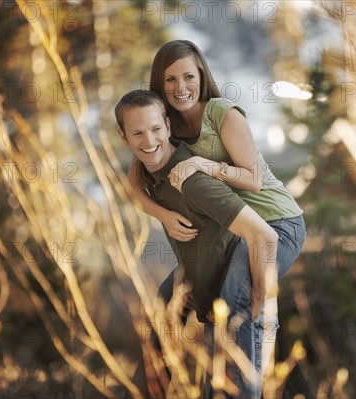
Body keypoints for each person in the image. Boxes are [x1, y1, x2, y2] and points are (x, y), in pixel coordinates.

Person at [128, 39, 306, 360]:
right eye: (170, 79)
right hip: (237, 229)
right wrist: (163, 216)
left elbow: (252, 180)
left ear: (201, 77)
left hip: (277, 224)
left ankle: (249, 373)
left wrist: (203, 163)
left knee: (238, 310)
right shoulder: (164, 125)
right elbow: (133, 186)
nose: (181, 87)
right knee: (165, 306)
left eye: (188, 77)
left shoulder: (222, 114)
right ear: (159, 83)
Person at [116, 89, 279, 398]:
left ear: (167, 125)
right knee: (157, 344)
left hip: (235, 301)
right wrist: (163, 214)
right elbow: (130, 189)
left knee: (226, 389)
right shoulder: (149, 172)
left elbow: (265, 236)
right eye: (137, 133)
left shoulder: (193, 182)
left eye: (155, 129)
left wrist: (260, 301)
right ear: (124, 137)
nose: (148, 140)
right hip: (201, 286)